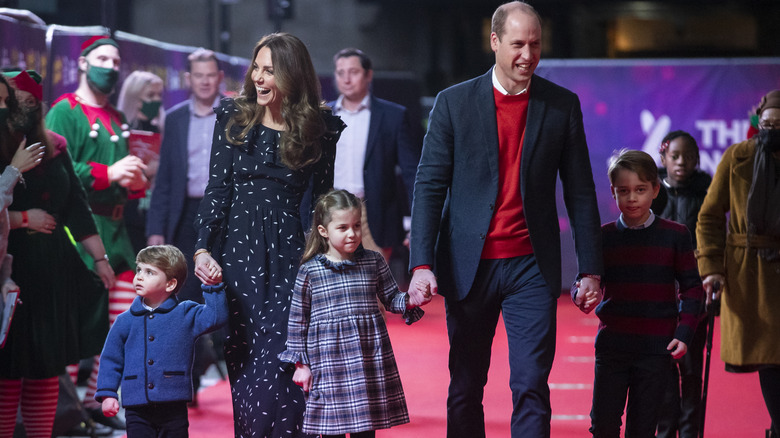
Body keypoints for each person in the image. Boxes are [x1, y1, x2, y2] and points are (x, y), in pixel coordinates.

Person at [407, 2, 603, 436]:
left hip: (531, 267)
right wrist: (420, 264)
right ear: (494, 42)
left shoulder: (561, 105)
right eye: (518, 44)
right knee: (465, 387)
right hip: (468, 266)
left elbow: (580, 191)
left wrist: (590, 269)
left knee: (531, 385)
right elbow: (429, 186)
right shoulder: (453, 103)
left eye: (535, 45)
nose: (527, 55)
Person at [192, 33, 345, 437]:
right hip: (237, 259)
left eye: (270, 71)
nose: (259, 78)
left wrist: (331, 261)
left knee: (284, 360)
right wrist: (203, 248)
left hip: (291, 257)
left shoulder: (320, 128)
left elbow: (322, 203)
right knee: (244, 361)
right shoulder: (234, 117)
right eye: (256, 68)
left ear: (292, 76)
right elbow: (217, 190)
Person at [0, 70, 115, 437]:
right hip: (8, 267)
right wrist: (21, 218)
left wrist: (99, 259)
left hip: (51, 269)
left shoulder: (56, 145)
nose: (23, 107)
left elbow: (76, 207)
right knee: (6, 367)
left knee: (46, 366)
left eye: (31, 100)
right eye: (15, 100)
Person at [45, 35, 147, 431]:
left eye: (116, 59)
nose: (111, 65)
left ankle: (96, 403)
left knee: (119, 324)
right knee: (75, 325)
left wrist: (136, 180)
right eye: (102, 57)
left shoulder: (118, 119)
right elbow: (55, 177)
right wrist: (109, 174)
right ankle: (63, 409)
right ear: (84, 63)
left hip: (117, 232)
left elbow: (126, 180)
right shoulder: (64, 111)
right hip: (81, 232)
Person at [278, 189, 425, 438]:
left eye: (356, 226)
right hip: (328, 365)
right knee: (332, 429)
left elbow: (391, 299)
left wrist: (412, 300)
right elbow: (297, 320)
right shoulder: (311, 271)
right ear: (324, 231)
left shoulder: (374, 261)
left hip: (366, 362)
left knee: (366, 430)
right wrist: (301, 365)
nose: (353, 233)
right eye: (343, 227)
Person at [580, 149, 705, 437]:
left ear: (655, 189)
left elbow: (692, 288)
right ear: (613, 192)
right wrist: (581, 294)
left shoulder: (675, 235)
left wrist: (684, 333)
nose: (632, 198)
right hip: (612, 346)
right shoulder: (604, 237)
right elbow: (585, 279)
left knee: (643, 428)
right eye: (623, 191)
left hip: (655, 348)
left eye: (640, 189)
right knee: (603, 425)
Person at [696, 89, 780, 438]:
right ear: (758, 122)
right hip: (750, 276)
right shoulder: (739, 156)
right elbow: (710, 216)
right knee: (769, 357)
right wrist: (712, 268)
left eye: (779, 123)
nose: (772, 129)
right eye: (767, 123)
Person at [146, 48, 224, 405]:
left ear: (219, 78)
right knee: (184, 301)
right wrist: (156, 231)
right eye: (199, 75)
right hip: (185, 216)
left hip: (228, 214)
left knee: (229, 292)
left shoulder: (236, 115)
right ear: (188, 79)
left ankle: (232, 364)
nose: (205, 81)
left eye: (211, 74)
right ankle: (187, 382)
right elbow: (163, 181)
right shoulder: (175, 119)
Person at [95, 245, 228, 437]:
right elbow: (111, 359)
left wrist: (213, 286)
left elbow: (217, 317)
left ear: (170, 284)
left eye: (149, 272)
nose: (139, 276)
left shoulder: (185, 313)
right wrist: (107, 393)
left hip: (173, 405)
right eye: (139, 269)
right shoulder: (124, 321)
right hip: (136, 407)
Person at [329, 48, 420, 261]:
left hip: (374, 214)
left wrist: (419, 223)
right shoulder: (323, 116)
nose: (346, 79)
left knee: (373, 289)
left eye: (353, 72)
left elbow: (411, 173)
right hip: (331, 209)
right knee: (332, 288)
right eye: (340, 73)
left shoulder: (393, 116)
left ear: (368, 75)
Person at [651, 131, 712, 438]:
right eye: (675, 156)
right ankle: (665, 432)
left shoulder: (707, 192)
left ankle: (690, 433)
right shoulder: (651, 191)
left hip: (693, 295)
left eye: (688, 157)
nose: (681, 163)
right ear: (663, 158)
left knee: (691, 373)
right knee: (662, 371)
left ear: (697, 159)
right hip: (659, 297)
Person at [117, 70, 165, 254]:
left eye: (159, 95)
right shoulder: (121, 131)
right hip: (128, 215)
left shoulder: (162, 129)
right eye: (150, 95)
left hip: (154, 214)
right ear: (135, 98)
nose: (156, 101)